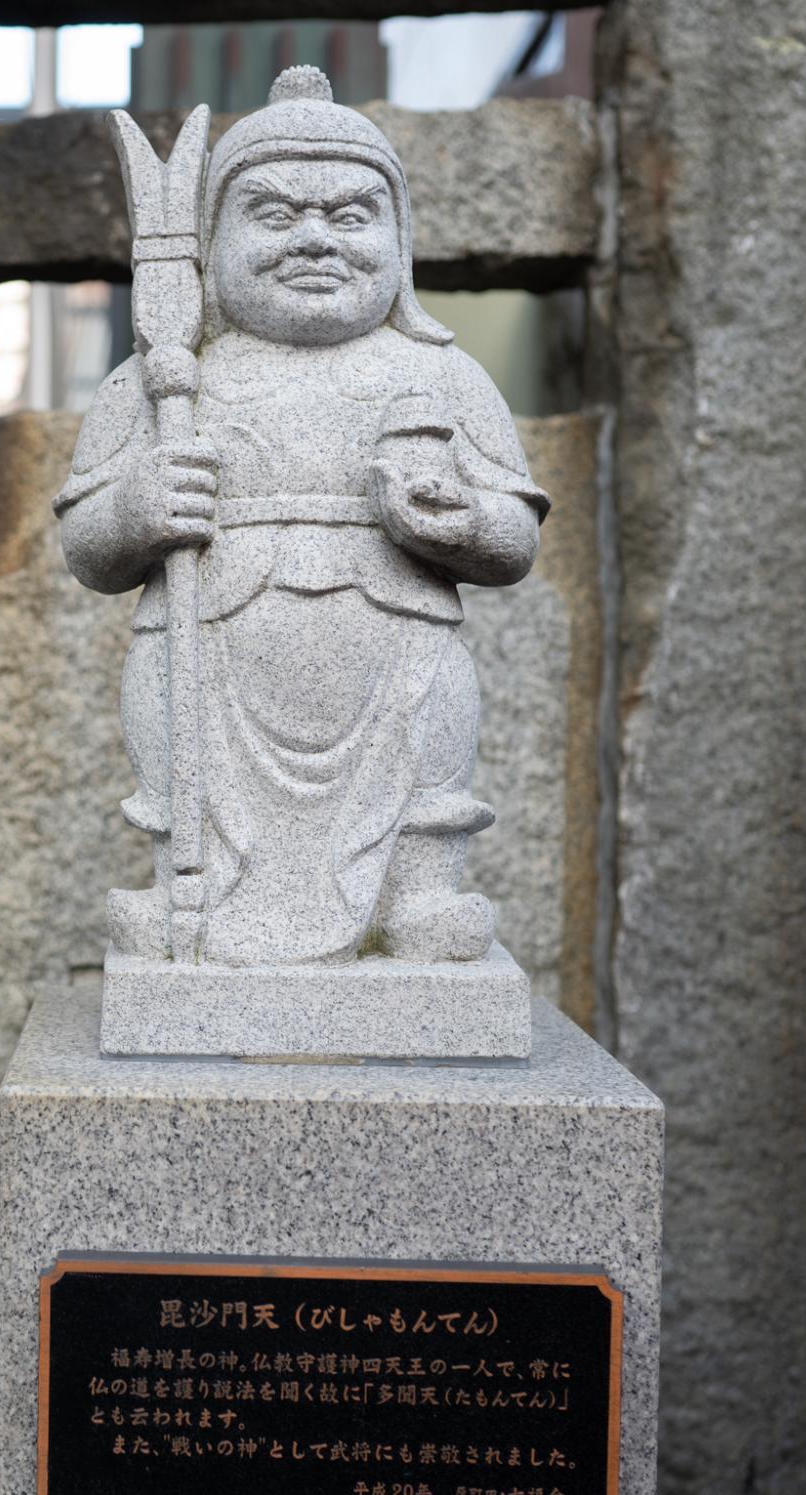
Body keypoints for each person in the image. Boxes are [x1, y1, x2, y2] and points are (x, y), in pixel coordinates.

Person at [56, 66, 548, 967]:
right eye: (276, 216)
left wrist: (457, 521)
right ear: (212, 240)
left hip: (395, 637)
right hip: (212, 633)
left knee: (430, 725)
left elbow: (514, 538)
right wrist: (137, 509)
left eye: (352, 216)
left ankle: (419, 892)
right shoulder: (166, 380)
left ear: (400, 245)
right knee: (173, 728)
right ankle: (182, 889)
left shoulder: (440, 377)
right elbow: (88, 547)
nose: (315, 240)